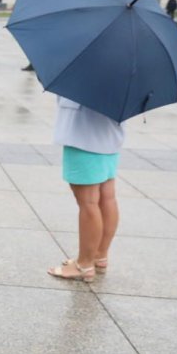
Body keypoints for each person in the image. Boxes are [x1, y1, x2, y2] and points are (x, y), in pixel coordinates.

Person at [47, 96, 124, 283]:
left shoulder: (86, 70)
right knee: (107, 198)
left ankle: (84, 264)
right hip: (110, 136)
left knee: (89, 203)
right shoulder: (122, 70)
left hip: (83, 137)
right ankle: (99, 255)